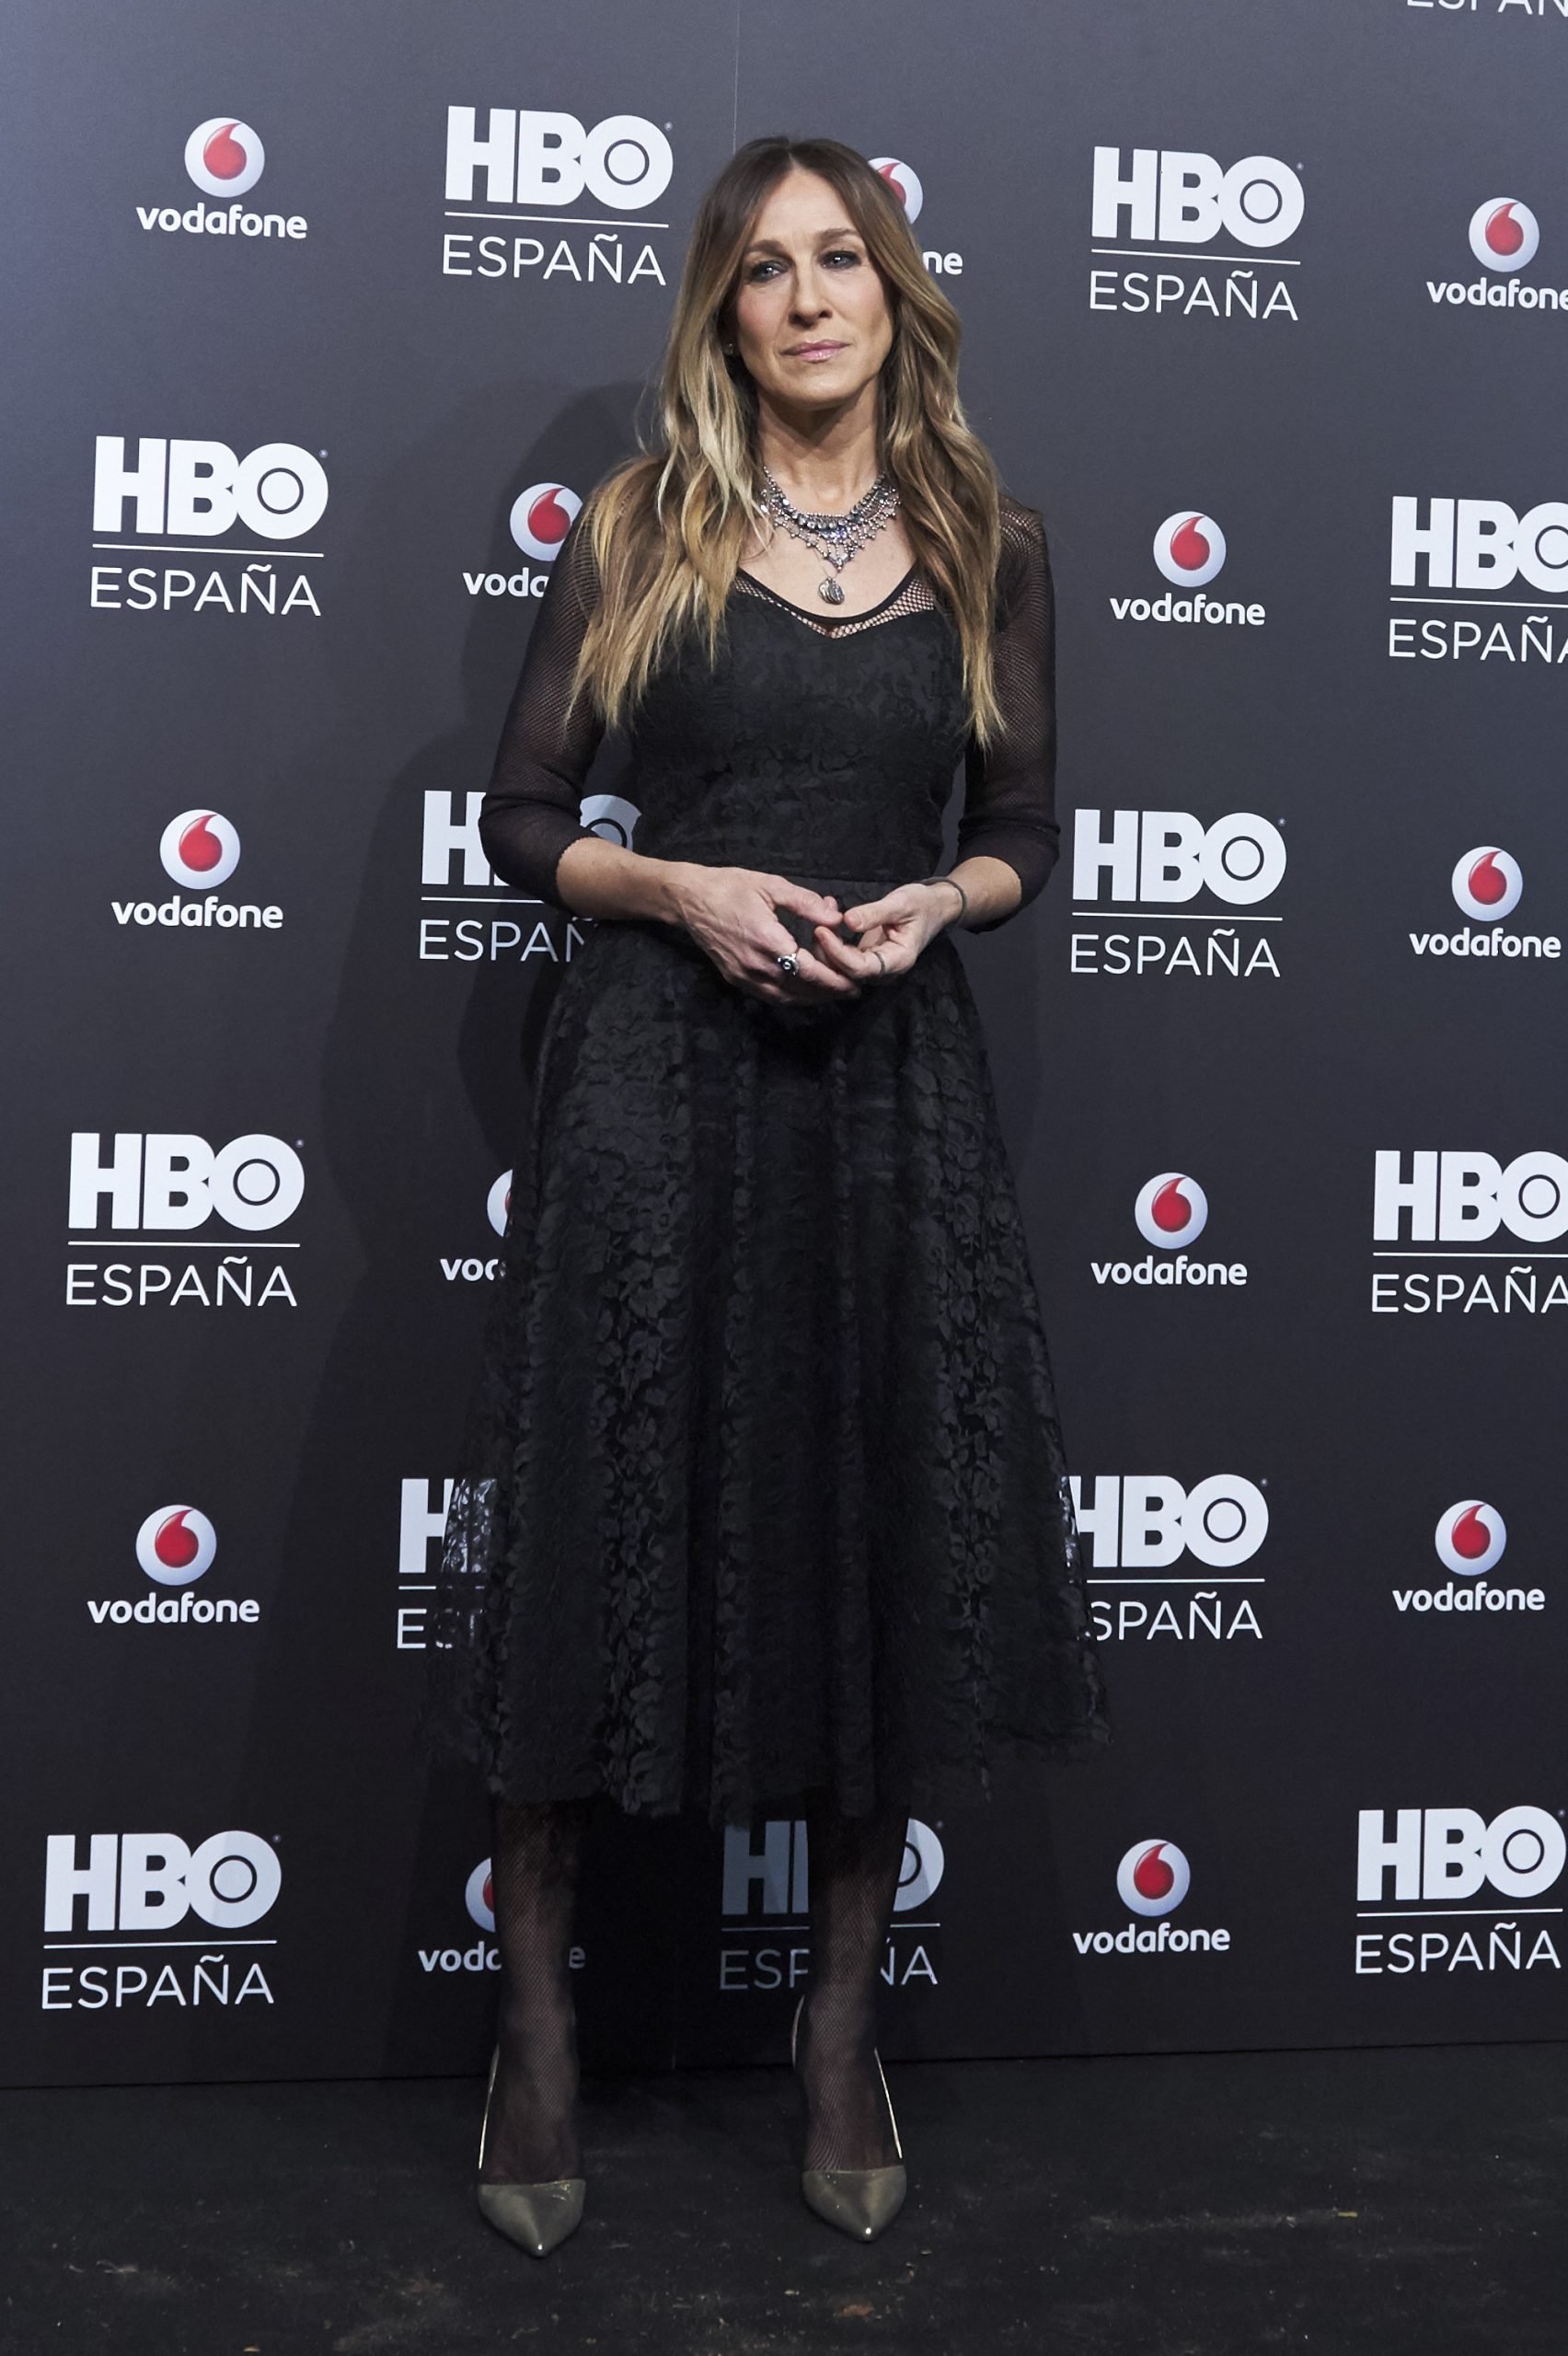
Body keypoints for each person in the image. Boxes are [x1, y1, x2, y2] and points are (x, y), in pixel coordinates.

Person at [423, 133, 1110, 2258]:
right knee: (592, 1519)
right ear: (721, 314)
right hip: (647, 1070)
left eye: (843, 258)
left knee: (863, 1522)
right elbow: (524, 812)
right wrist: (678, 884)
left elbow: (1027, 828)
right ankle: (533, 2021)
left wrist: (940, 903)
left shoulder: (995, 542)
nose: (809, 297)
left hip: (878, 1088)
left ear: (898, 288)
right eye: (763, 270)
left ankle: (836, 2029)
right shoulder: (643, 525)